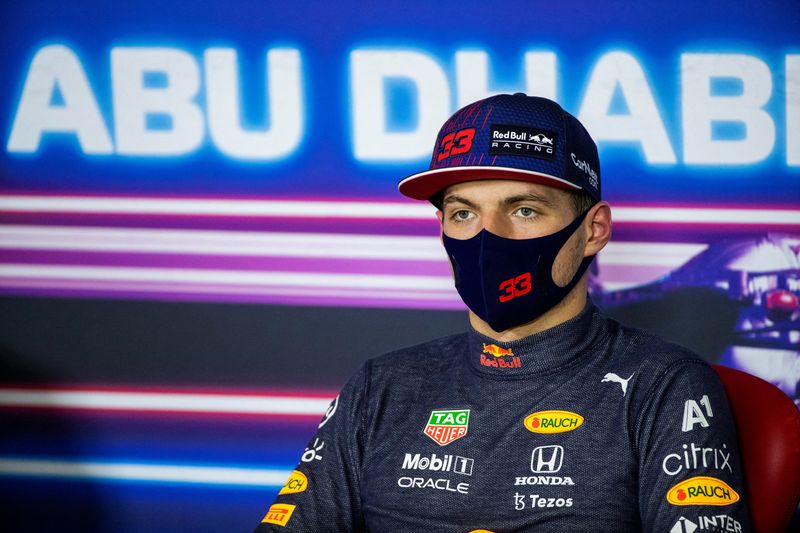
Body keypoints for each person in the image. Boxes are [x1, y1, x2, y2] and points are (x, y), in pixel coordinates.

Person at [254, 93, 751, 532]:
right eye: (463, 213)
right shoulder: (380, 385)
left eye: (524, 209)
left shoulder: (663, 386)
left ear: (594, 230)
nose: (488, 238)